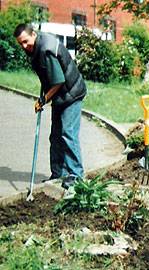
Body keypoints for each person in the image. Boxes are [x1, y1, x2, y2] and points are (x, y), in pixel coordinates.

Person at [13, 23, 87, 189]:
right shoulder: (36, 48)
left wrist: (44, 99)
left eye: (25, 41)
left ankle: (76, 175)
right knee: (55, 136)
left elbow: (58, 81)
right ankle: (58, 173)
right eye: (20, 44)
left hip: (72, 93)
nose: (24, 46)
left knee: (68, 133)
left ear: (33, 34)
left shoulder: (46, 50)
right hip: (60, 95)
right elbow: (48, 76)